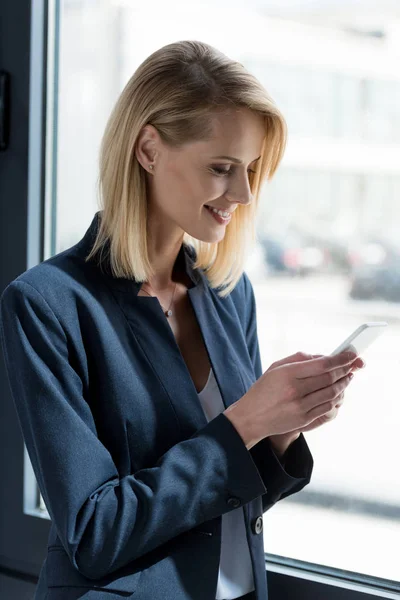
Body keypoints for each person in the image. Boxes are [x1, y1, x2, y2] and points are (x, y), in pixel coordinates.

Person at [0, 40, 364, 600]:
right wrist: (244, 423)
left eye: (250, 169)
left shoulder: (227, 293)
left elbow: (224, 502)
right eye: (222, 168)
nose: (242, 193)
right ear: (148, 148)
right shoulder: (48, 304)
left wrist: (280, 426)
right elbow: (94, 534)